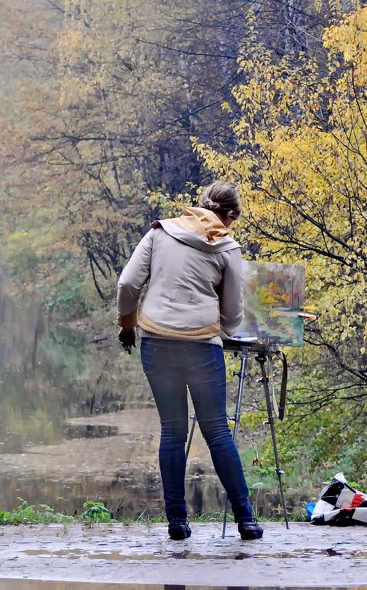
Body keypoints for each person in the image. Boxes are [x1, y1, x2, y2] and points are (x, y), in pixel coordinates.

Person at [115, 180, 262, 541]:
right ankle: (246, 520)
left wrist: (127, 324)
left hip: (156, 341)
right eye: (232, 221)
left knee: (172, 430)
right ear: (227, 215)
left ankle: (177, 522)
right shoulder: (228, 248)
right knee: (216, 431)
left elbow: (128, 284)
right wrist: (220, 327)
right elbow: (231, 313)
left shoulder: (159, 233)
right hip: (201, 346)